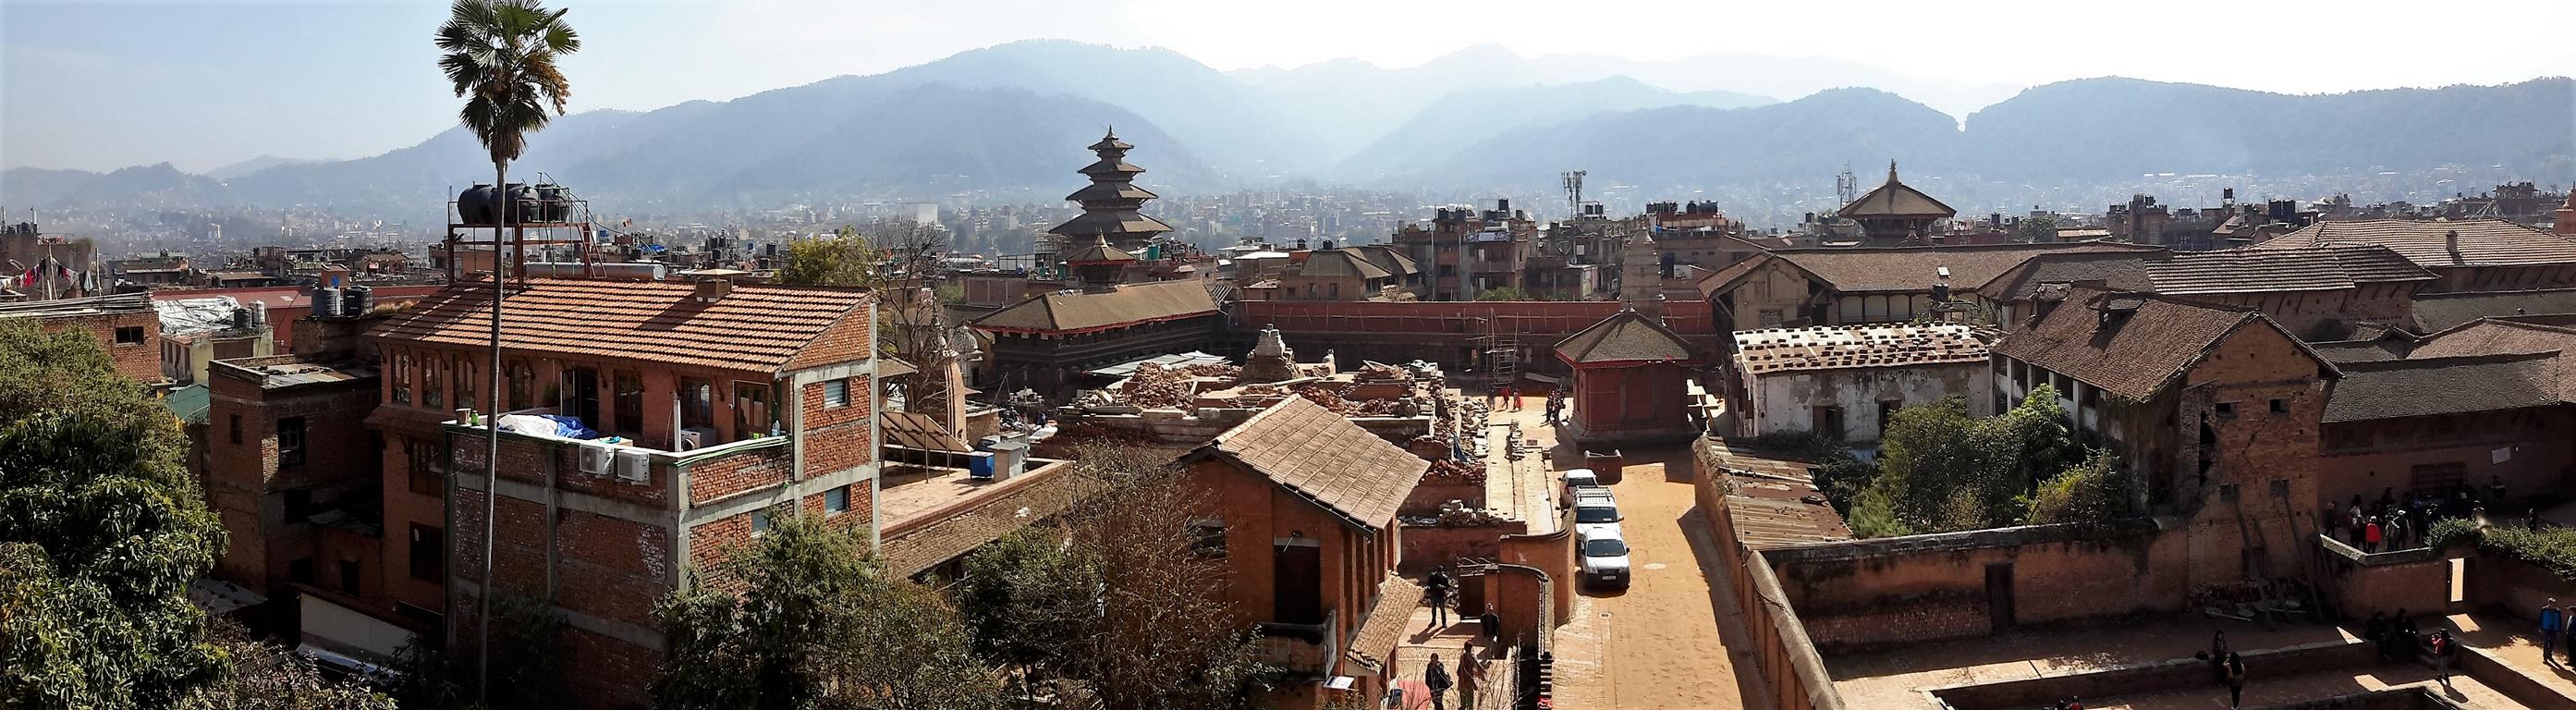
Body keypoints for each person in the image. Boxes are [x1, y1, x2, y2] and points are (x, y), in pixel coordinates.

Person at [1457, 643, 1482, 710]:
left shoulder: (1463, 657)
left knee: (1463, 705)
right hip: (1469, 684)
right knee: (1470, 705)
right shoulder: (1472, 657)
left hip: (1462, 684)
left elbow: (1458, 672)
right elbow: (1478, 668)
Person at [2544, 599, 2564, 667]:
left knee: (2552, 643)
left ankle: (2549, 655)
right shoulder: (2544, 609)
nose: (2554, 606)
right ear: (2549, 603)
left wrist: (2559, 630)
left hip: (2554, 629)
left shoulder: (2558, 611)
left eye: (2555, 604)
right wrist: (2540, 627)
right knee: (2546, 643)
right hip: (2546, 628)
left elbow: (2559, 621)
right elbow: (2541, 618)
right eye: (2553, 604)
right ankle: (2545, 657)